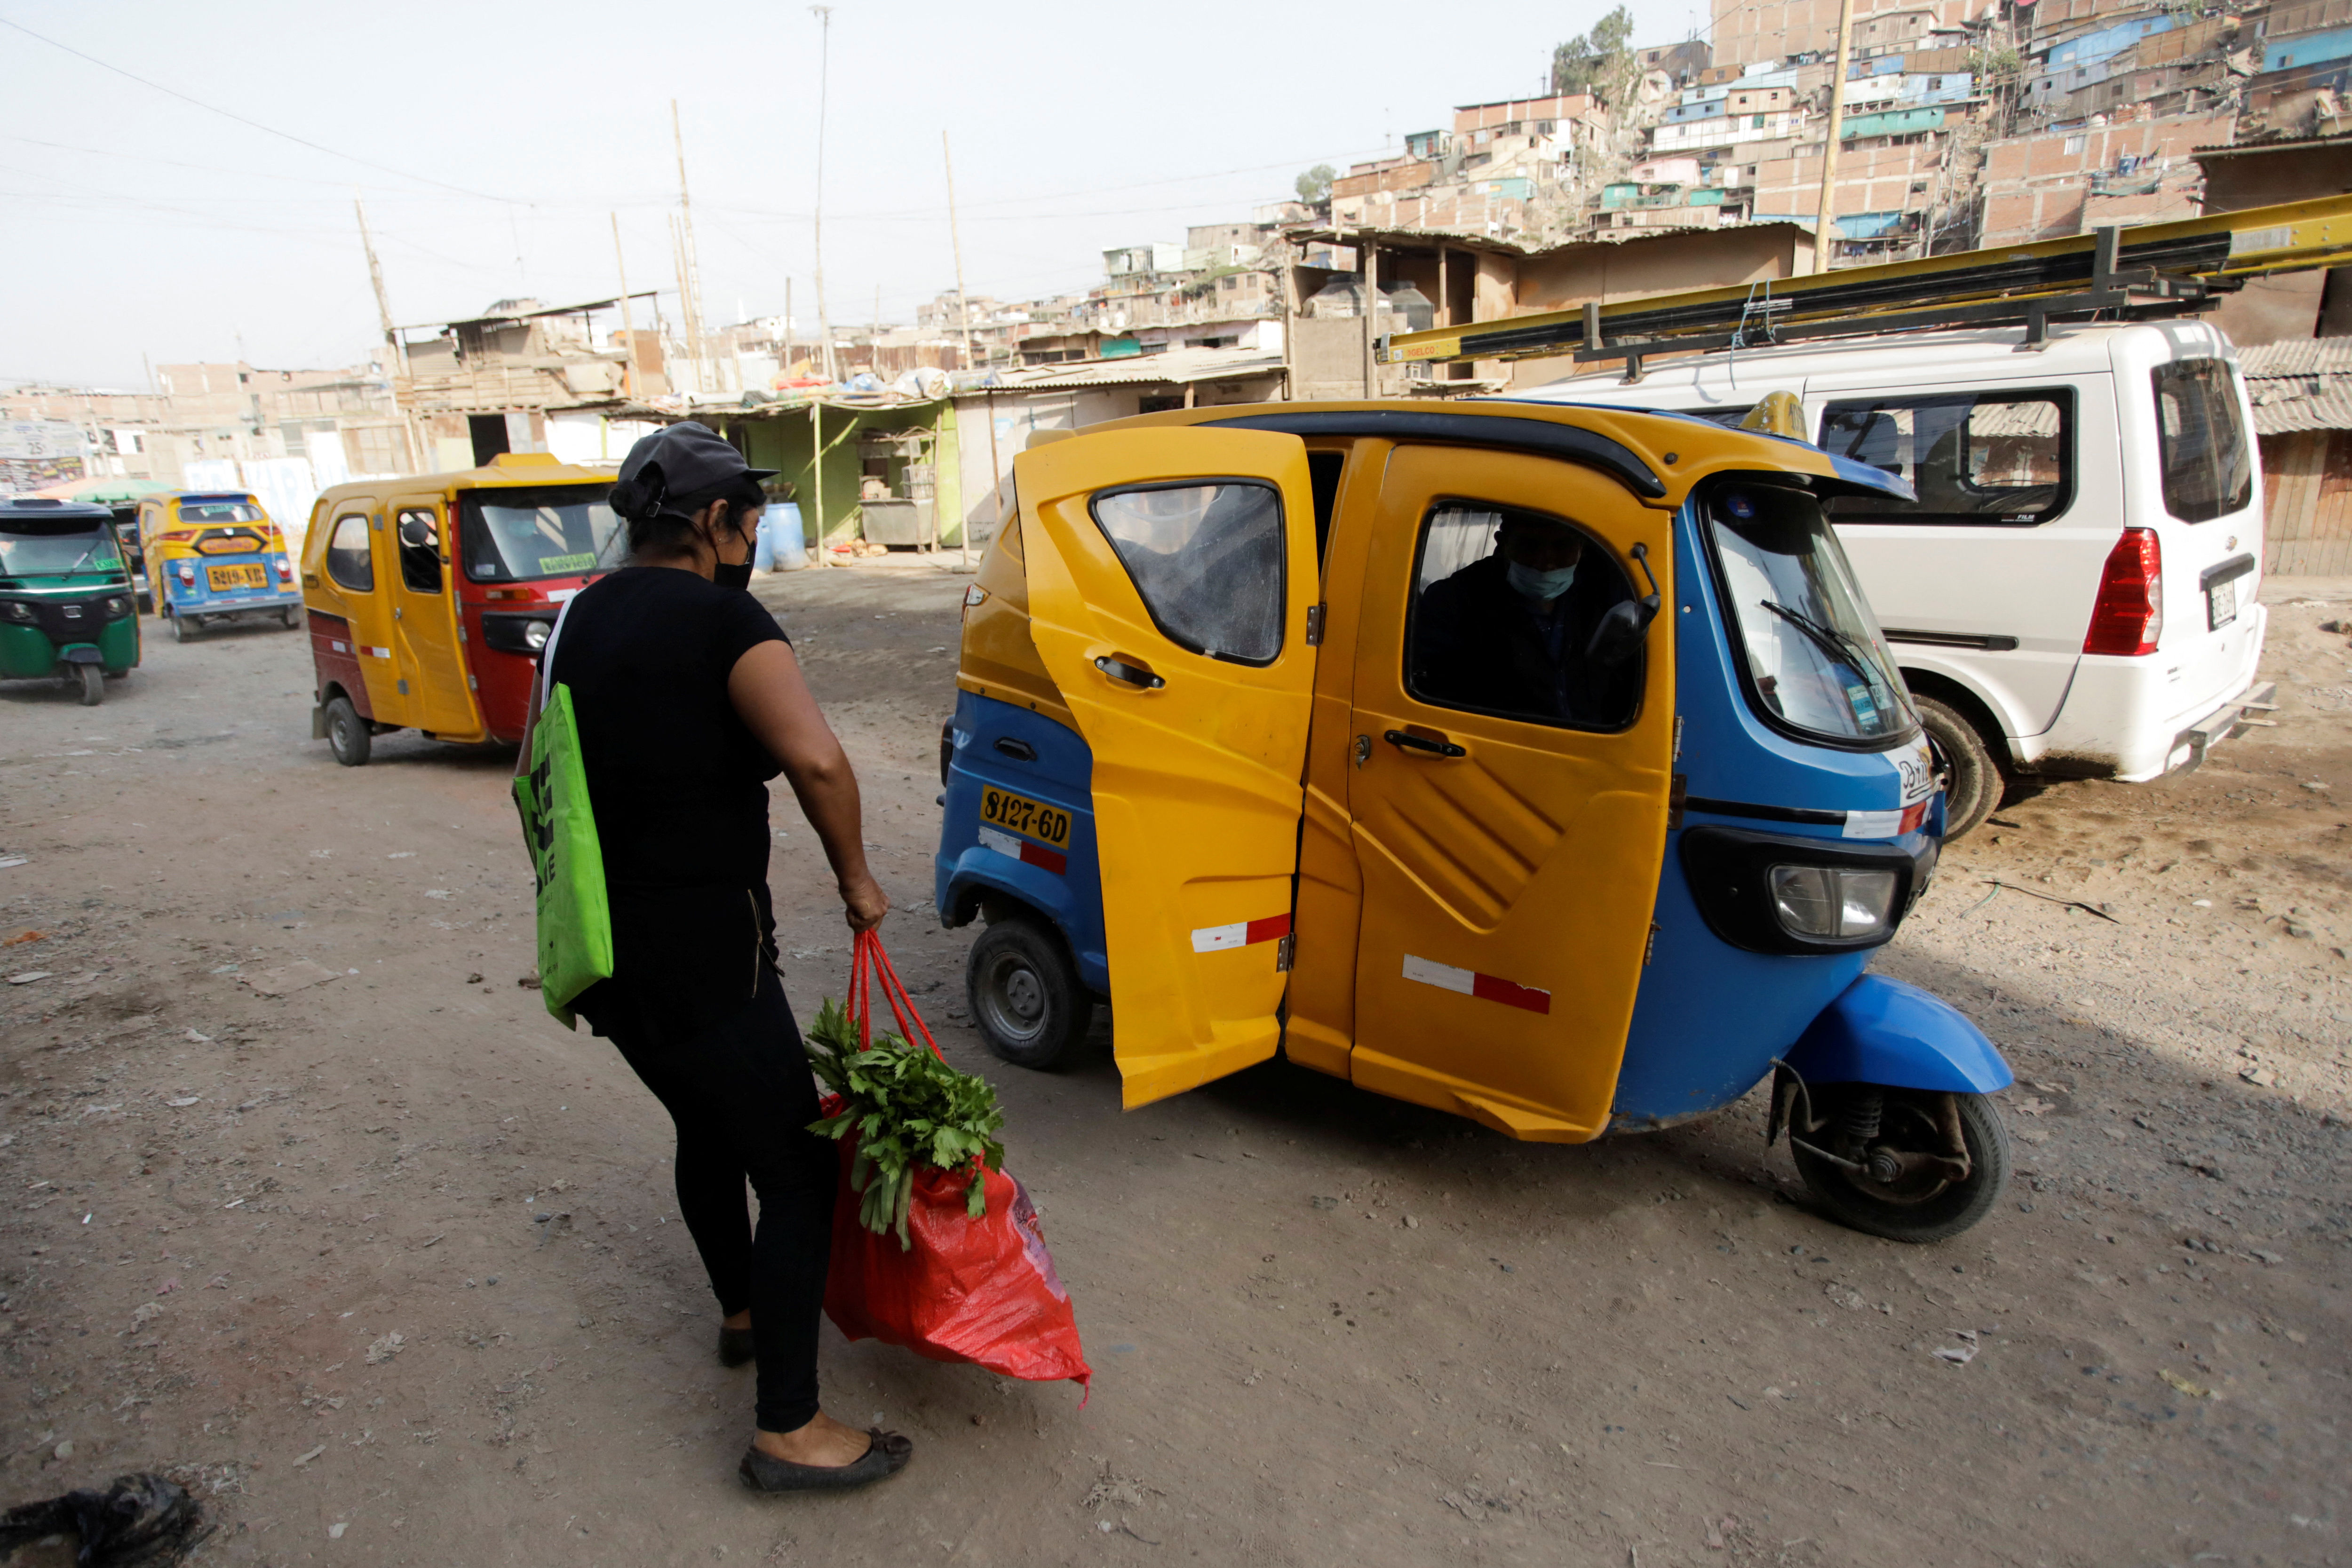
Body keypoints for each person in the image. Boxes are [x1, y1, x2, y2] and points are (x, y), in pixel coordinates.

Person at [516, 421, 911, 1492]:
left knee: (703, 1119)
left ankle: (743, 1308)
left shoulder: (577, 619)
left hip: (606, 957)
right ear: (710, 521)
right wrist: (859, 881)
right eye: (748, 513)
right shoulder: (724, 618)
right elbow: (818, 762)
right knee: (797, 1166)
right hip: (704, 958)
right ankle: (789, 1425)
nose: (755, 529)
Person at [1412, 509, 1637, 726]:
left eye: (1561, 547)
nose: (1545, 562)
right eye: (1529, 545)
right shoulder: (1455, 599)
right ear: (1502, 542)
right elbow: (1433, 686)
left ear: (1582, 547)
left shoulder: (1604, 597)